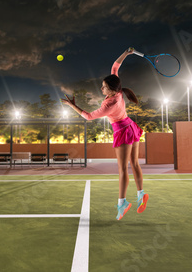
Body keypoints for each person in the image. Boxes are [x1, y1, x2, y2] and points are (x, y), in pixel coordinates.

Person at [61, 48, 149, 220]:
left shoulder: (109, 105)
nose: (101, 88)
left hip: (122, 131)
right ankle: (140, 194)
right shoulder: (118, 91)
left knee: (123, 169)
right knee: (135, 164)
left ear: (110, 90)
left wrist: (72, 105)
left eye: (103, 87)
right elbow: (115, 67)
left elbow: (88, 116)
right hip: (131, 126)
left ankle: (122, 203)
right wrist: (126, 53)